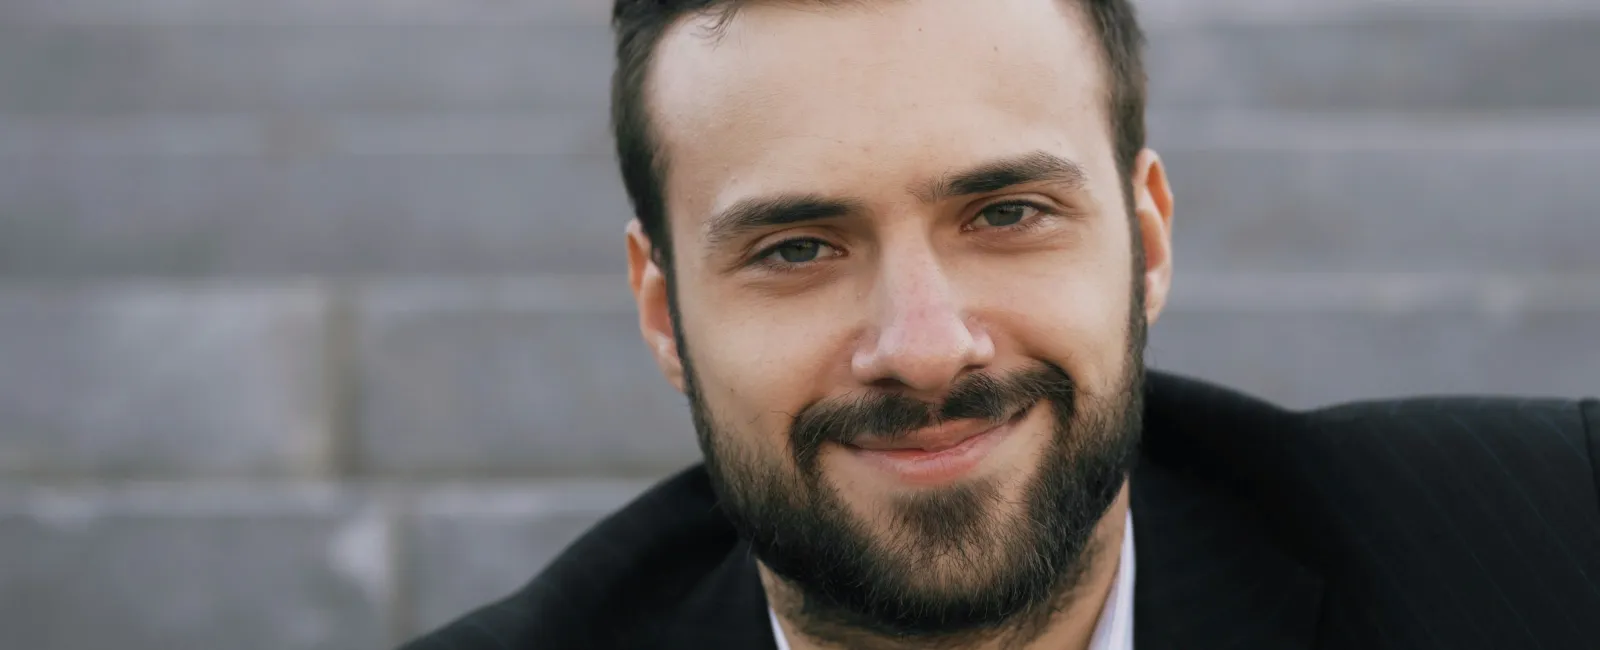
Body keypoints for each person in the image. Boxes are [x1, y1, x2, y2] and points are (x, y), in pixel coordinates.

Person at [400, 0, 1600, 648]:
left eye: (1007, 211)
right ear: (664, 312)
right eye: (797, 248)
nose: (923, 345)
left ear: (1150, 240)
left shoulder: (1548, 545)